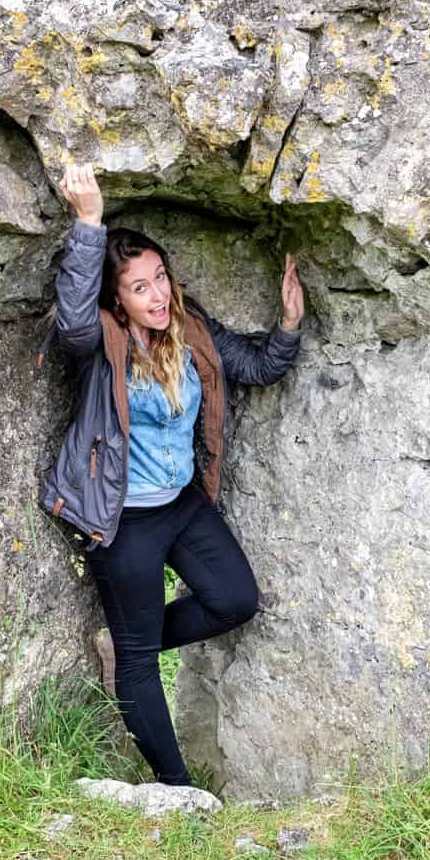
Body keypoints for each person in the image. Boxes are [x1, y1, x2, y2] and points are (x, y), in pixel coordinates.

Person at [40, 162, 304, 787]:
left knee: (236, 600)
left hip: (182, 505)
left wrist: (289, 324)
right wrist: (87, 224)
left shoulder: (190, 330)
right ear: (116, 299)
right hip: (122, 519)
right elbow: (73, 319)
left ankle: (131, 648)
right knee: (137, 663)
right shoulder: (99, 344)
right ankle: (178, 791)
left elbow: (257, 366)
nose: (157, 295)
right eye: (139, 287)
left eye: (160, 278)